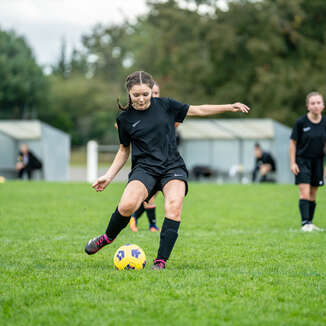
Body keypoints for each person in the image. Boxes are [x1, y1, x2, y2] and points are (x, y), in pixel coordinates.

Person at [85, 71, 250, 270]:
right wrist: (108, 176)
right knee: (127, 205)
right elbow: (124, 150)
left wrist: (228, 107)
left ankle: (160, 261)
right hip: (144, 168)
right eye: (136, 95)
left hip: (172, 167)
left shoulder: (166, 106)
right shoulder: (125, 120)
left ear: (151, 90)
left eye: (145, 94)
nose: (141, 99)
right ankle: (107, 238)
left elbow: (198, 110)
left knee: (173, 206)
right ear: (128, 93)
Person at [290, 91, 326, 232]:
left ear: (323, 105)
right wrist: (293, 162)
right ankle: (305, 223)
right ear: (307, 106)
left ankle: (310, 222)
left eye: (318, 102)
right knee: (304, 193)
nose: (316, 105)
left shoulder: (325, 122)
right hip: (302, 160)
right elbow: (292, 143)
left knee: (313, 193)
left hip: (318, 161)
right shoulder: (301, 122)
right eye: (313, 103)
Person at [129, 81, 162, 233]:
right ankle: (149, 223)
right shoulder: (135, 113)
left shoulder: (163, 111)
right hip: (146, 163)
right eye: (152, 93)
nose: (154, 96)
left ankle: (140, 219)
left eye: (156, 94)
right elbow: (121, 125)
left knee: (151, 196)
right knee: (150, 195)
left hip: (163, 160)